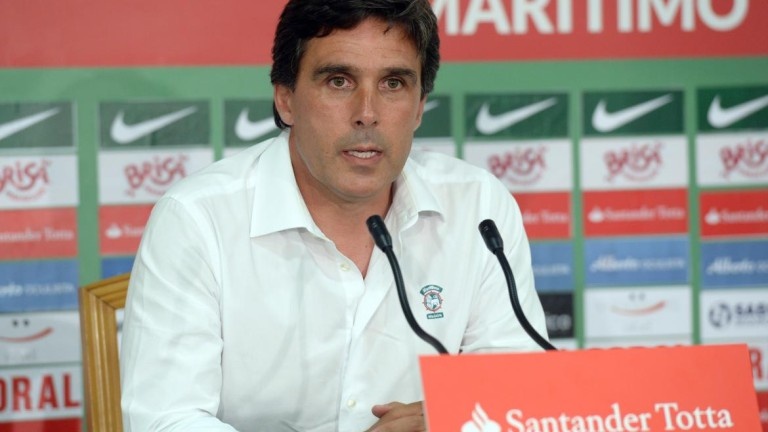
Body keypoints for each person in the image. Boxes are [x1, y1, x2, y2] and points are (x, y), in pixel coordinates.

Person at [119, 0, 549, 431]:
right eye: (339, 81)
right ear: (285, 99)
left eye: (393, 83)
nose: (367, 113)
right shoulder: (198, 220)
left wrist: (453, 420)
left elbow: (519, 400)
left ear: (420, 106)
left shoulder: (478, 209)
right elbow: (167, 420)